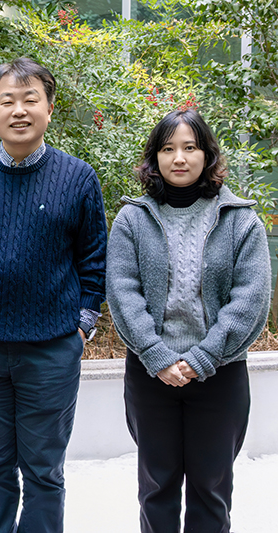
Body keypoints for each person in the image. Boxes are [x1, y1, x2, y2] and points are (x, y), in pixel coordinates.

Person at [0, 57, 107, 533]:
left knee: (44, 471)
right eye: (7, 100)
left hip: (52, 349)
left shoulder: (78, 178)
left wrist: (82, 324)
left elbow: (94, 259)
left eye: (30, 99)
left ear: (49, 109)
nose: (19, 110)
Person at [107, 108, 270, 533]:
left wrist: (203, 358)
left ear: (207, 155)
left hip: (220, 373)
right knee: (156, 487)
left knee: (211, 488)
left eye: (190, 147)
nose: (179, 158)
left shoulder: (239, 220)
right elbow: (123, 291)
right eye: (168, 149)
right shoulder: (132, 219)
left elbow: (250, 298)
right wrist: (155, 354)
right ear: (155, 158)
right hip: (150, 374)